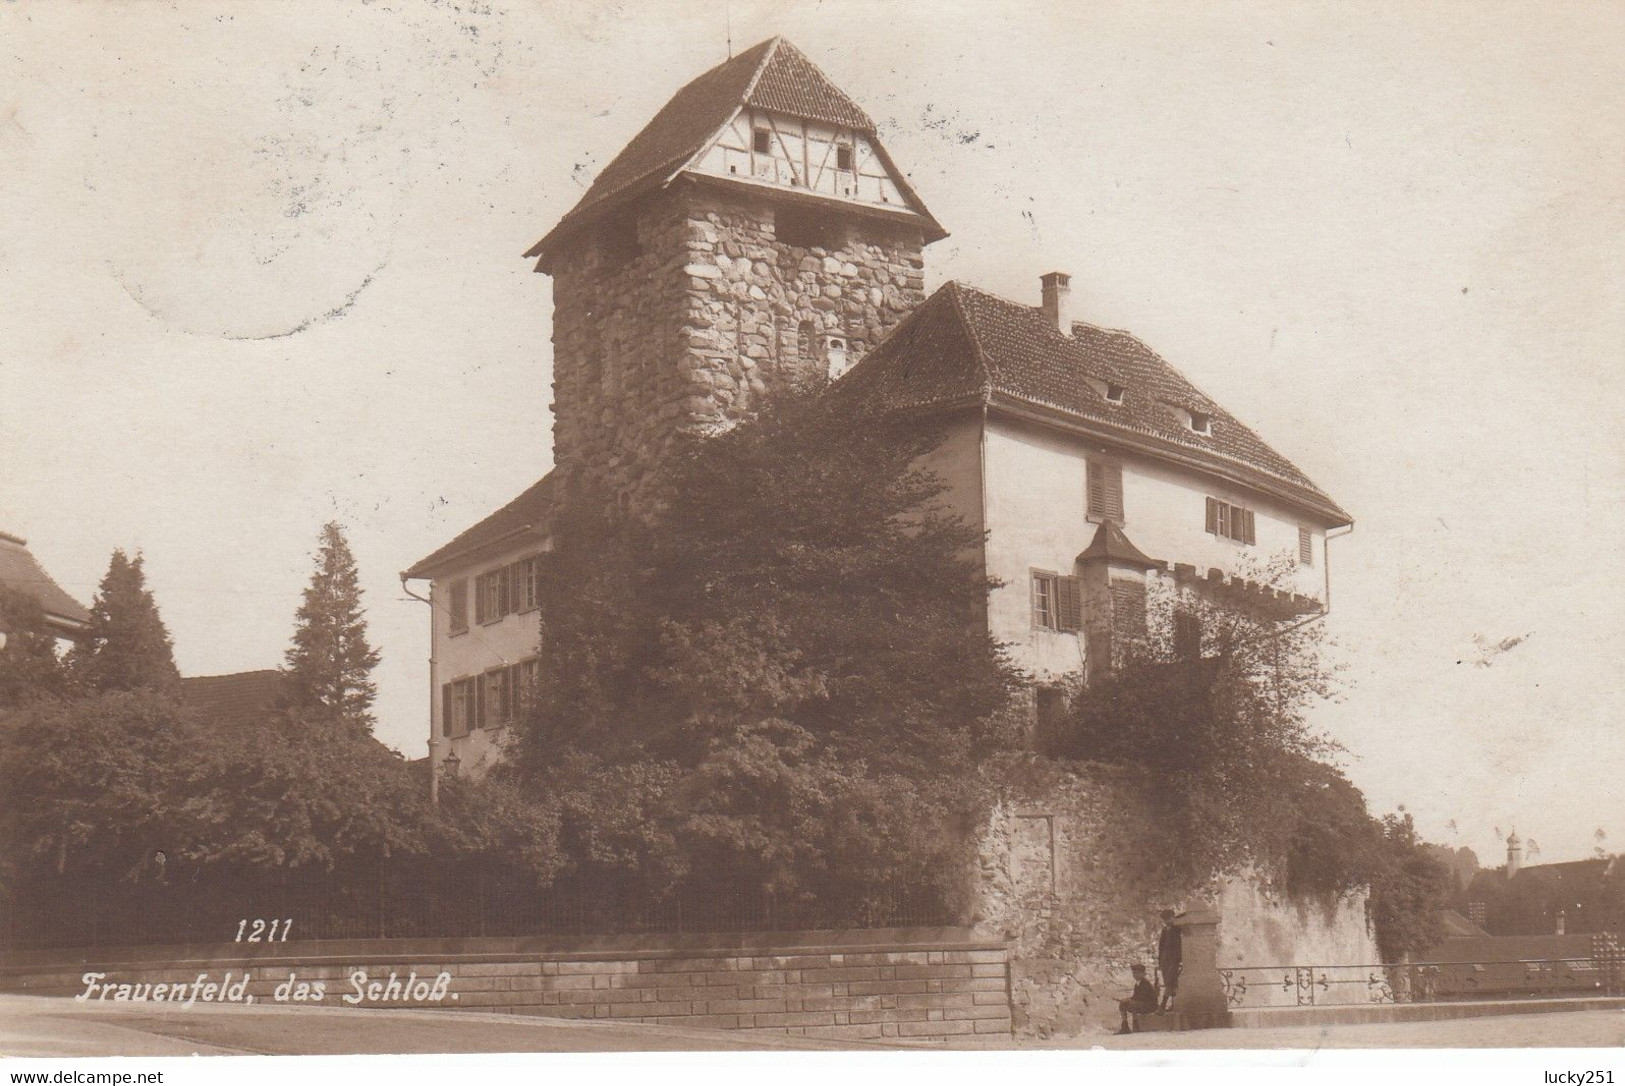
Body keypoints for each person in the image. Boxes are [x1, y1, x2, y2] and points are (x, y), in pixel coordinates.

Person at [1117, 963, 1158, 1034]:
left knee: (1131, 1004)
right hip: (1144, 1004)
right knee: (1124, 1004)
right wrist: (1128, 999)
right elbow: (1135, 997)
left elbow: (1142, 997)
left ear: (1143, 973)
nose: (1135, 975)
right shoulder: (1137, 984)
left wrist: (1129, 1000)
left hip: (1151, 1006)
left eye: (1137, 973)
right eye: (1134, 973)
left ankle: (1133, 1026)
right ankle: (1127, 1025)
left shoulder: (1145, 984)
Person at [1157, 909, 1182, 1011]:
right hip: (1165, 959)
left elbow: (1183, 916)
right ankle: (1173, 1005)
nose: (1167, 921)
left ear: (1173, 917)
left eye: (1169, 918)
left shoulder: (1177, 928)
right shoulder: (1164, 930)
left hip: (1174, 959)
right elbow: (1161, 946)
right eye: (1165, 919)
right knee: (1170, 982)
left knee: (1170, 982)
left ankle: (1163, 1004)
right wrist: (1160, 960)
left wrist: (1176, 919)